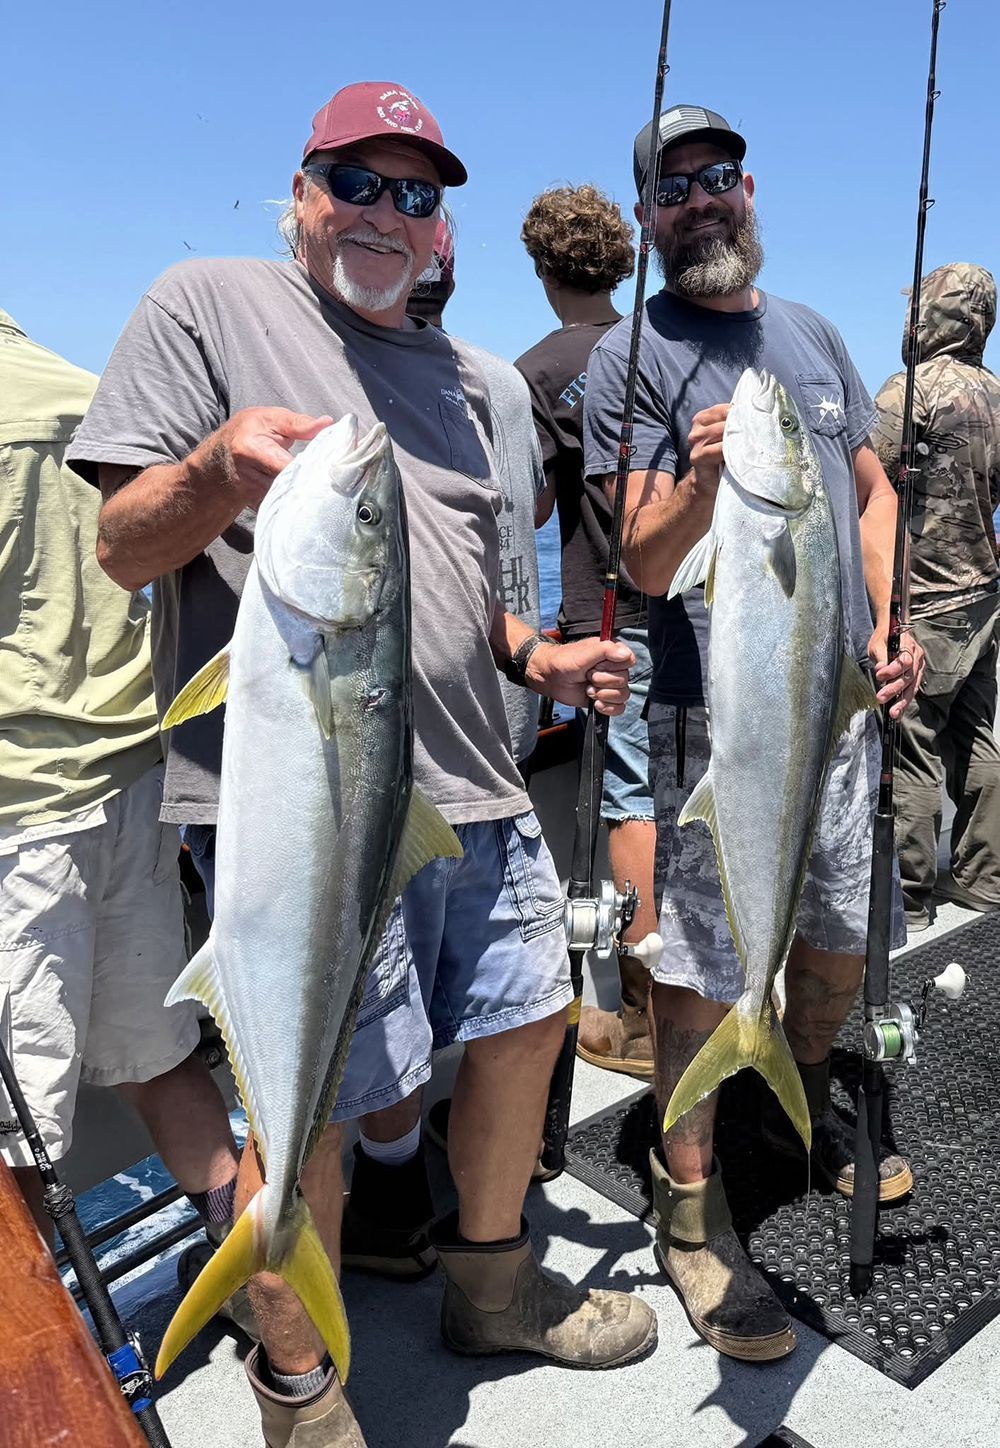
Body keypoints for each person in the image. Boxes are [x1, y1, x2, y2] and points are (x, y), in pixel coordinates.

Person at [69, 82, 655, 1448]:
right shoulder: (207, 302)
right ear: (304, 190)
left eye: (420, 193)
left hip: (480, 787)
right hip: (301, 804)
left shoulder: (470, 383)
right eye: (361, 180)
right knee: (311, 1102)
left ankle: (492, 1292)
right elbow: (125, 545)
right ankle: (303, 1392)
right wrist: (218, 468)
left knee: (523, 1030)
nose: (390, 213)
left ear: (446, 232)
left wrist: (534, 655)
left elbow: (459, 574)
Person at [582, 104, 924, 1362]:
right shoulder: (632, 357)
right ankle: (687, 1204)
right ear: (645, 220)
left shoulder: (816, 334)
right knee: (695, 968)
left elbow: (873, 491)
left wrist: (889, 625)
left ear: (747, 187)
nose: (702, 202)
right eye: (673, 191)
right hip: (707, 719)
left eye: (716, 178)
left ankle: (788, 1089)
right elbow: (638, 554)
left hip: (841, 715)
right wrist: (701, 482)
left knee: (837, 942)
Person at [0, 311, 244, 1278]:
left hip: (18, 816)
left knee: (18, 1140)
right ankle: (257, 1282)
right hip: (136, 782)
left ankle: (44, 1387)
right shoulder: (82, 387)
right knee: (162, 1060)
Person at [337, 216, 549, 1282]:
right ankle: (409, 1189)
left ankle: (412, 1187)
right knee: (407, 1012)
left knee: (472, 1004)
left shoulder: (489, 386)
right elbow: (533, 510)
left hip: (484, 730)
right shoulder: (501, 381)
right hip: (436, 743)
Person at [516, 185, 658, 1079]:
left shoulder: (536, 372)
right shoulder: (663, 342)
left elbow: (530, 503)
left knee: (630, 800)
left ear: (541, 269)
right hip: (701, 615)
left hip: (607, 619)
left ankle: (641, 1020)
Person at [873, 262, 1000, 928]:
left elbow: (861, 485)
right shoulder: (997, 395)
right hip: (984, 603)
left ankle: (911, 902)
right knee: (980, 739)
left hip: (921, 607)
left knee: (912, 744)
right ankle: (982, 880)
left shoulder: (909, 392)